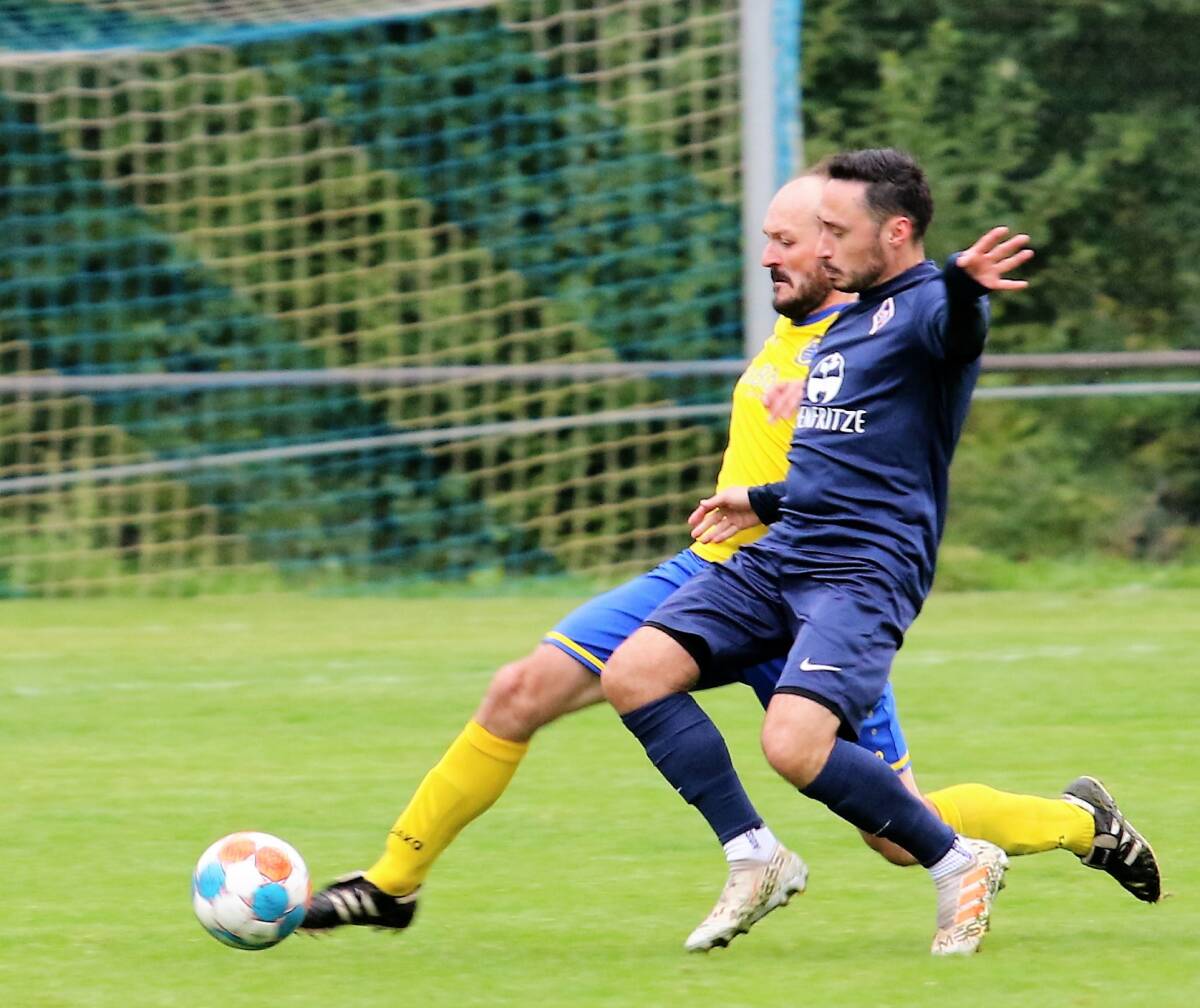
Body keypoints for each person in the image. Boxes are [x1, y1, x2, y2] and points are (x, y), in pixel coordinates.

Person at [302, 159, 1160, 948]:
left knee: (895, 827)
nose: (778, 257)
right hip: (730, 572)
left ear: (857, 240)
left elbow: (933, 348)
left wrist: (957, 290)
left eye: (795, 239)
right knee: (523, 688)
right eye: (780, 239)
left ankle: (1080, 824)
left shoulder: (891, 328)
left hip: (831, 583)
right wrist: (755, 494)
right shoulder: (824, 332)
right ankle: (393, 881)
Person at [602, 148, 1158, 956]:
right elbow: (847, 463)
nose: (820, 248)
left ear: (895, 232)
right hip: (785, 550)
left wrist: (966, 288)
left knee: (794, 746)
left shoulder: (928, 306)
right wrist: (757, 500)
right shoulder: (847, 322)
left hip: (861, 571)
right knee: (633, 672)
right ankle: (754, 852)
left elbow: (956, 328)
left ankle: (959, 859)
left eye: (836, 230)